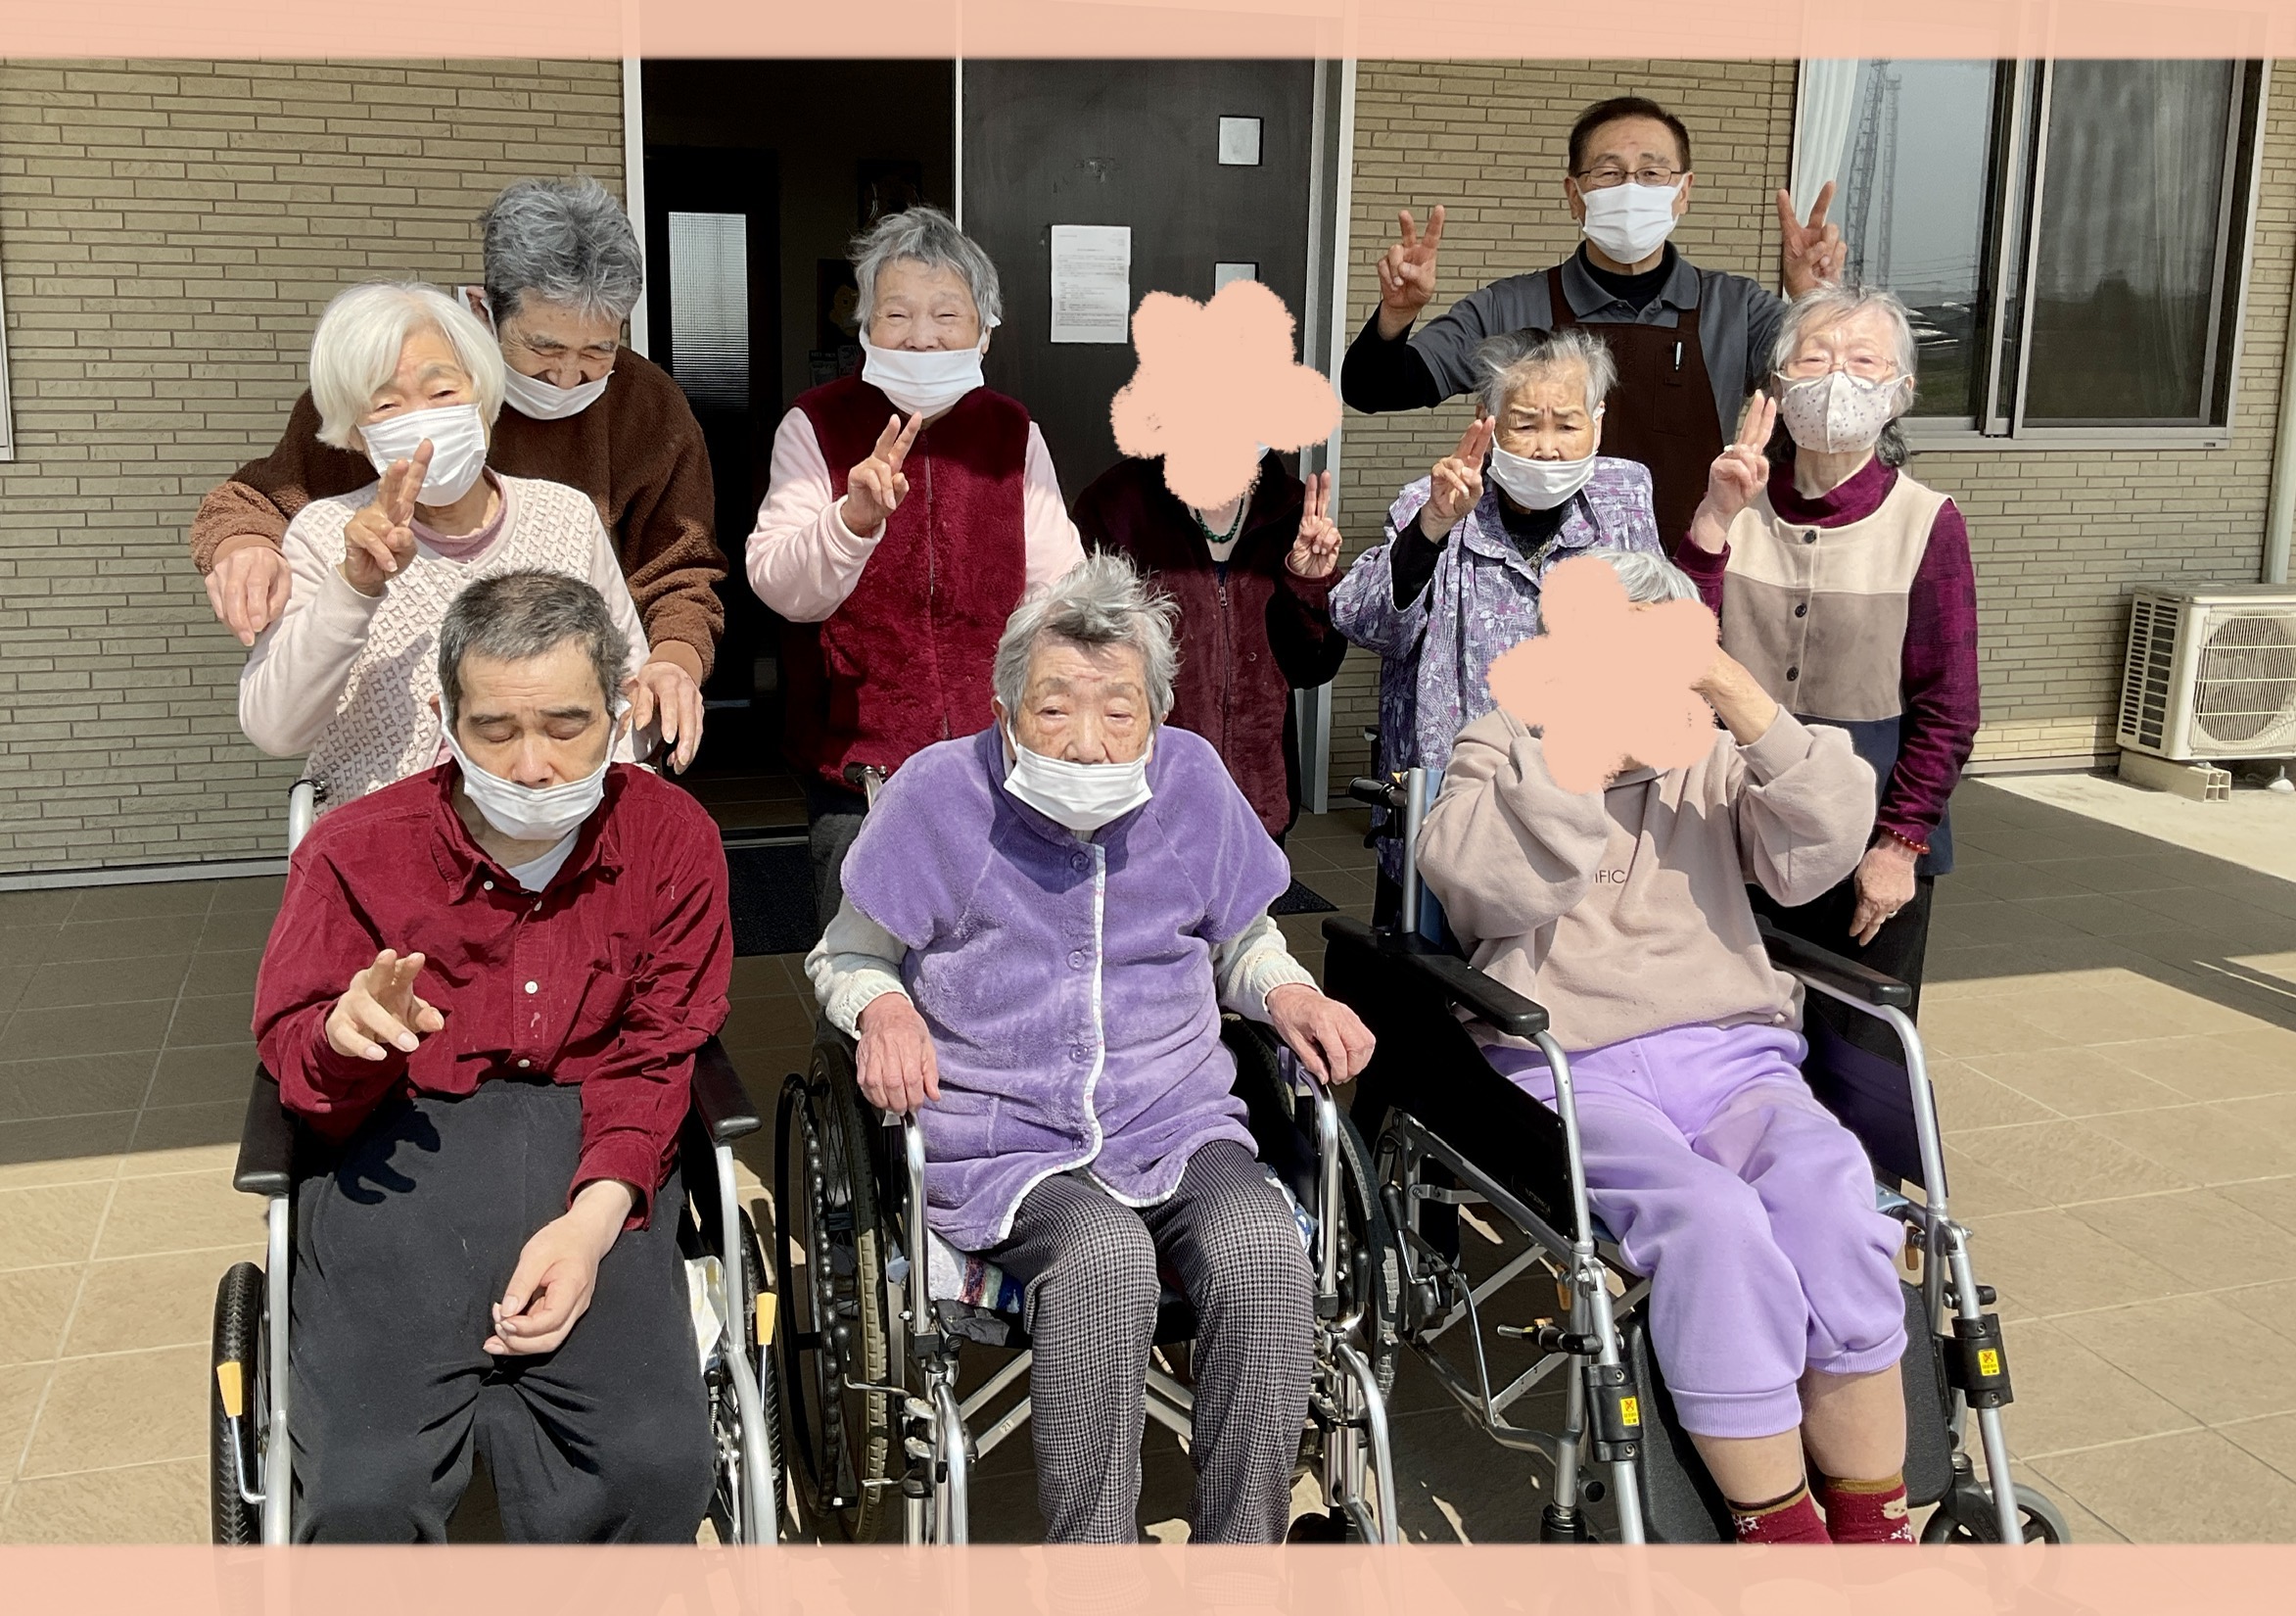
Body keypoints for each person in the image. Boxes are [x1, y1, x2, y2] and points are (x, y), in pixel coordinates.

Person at [804, 554, 1376, 1544]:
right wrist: (884, 1010)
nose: (1086, 740)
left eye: (1118, 712)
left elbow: (1241, 941)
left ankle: (1243, 1557)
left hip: (1175, 1116)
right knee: (1103, 1260)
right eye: (1053, 708)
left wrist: (1288, 990)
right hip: (1004, 1135)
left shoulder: (1191, 782)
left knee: (1261, 1247)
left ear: (1157, 716)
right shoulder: (940, 795)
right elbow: (848, 955)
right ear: (1001, 710)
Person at [1416, 548, 1913, 1547]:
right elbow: (1479, 889)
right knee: (1710, 1223)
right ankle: (1779, 1537)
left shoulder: (1711, 749)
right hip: (1570, 1062)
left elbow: (1819, 846)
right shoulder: (1502, 740)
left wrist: (1725, 685)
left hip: (1729, 1053)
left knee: (1829, 1196)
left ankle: (1872, 1526)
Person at [252, 569, 730, 1543]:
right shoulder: (352, 852)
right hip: (398, 1148)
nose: (534, 764)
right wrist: (342, 1040)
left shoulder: (671, 838)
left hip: (594, 1141)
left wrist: (591, 1227)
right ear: (444, 718)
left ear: (618, 710)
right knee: (362, 1492)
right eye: (496, 730)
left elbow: (653, 1054)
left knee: (656, 1461)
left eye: (567, 725)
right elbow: (296, 1061)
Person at [192, 176, 716, 770]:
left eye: (598, 350)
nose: (569, 376)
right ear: (483, 312)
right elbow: (260, 498)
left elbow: (681, 564)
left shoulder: (641, 417)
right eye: (544, 349)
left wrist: (673, 660)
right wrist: (244, 545)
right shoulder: (375, 394)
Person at [748, 204, 1084, 933]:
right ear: (865, 327)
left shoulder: (1011, 431)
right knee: (863, 963)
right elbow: (778, 583)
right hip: (860, 767)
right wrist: (852, 520)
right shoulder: (816, 423)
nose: (922, 336)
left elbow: (1060, 595)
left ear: (984, 331)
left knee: (988, 956)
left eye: (946, 315)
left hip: (995, 763)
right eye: (897, 314)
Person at [1677, 284, 1979, 1046]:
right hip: (1732, 829)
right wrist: (1713, 517)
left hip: (1868, 840)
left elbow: (1948, 706)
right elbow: (1675, 645)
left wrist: (1900, 844)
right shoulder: (1735, 500)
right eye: (1814, 357)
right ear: (1779, 384)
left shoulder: (1926, 522)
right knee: (1728, 1046)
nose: (1837, 376)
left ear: (1899, 391)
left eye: (1863, 360)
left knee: (1857, 1056)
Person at [1339, 96, 1844, 547]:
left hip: (1690, 577)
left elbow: (1829, 405)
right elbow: (1372, 388)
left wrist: (1814, 300)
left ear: (1684, 191)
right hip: (1532, 586)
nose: (1631, 188)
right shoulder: (1507, 307)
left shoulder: (1738, 309)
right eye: (1608, 173)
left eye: (1652, 173)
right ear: (1575, 194)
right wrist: (1397, 314)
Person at [237, 282, 651, 812]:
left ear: (483, 397)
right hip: (386, 839)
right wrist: (354, 588)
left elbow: (627, 688)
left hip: (553, 828)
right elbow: (275, 727)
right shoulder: (324, 535)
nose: (422, 423)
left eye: (442, 393)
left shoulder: (566, 516)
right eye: (386, 403)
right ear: (356, 432)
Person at [1330, 325, 1662, 921]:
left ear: (1598, 422)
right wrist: (1432, 527)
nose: (1547, 448)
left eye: (1567, 425)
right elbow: (1366, 622)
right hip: (1454, 812)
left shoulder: (1625, 497)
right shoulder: (1432, 500)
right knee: (1433, 965)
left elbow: (1657, 636)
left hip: (1584, 813)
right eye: (1525, 424)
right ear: (1487, 421)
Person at [1071, 450, 1346, 841]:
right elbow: (1083, 657)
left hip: (1257, 806)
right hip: (1147, 805)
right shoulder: (1117, 504)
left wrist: (1309, 583)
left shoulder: (1290, 508)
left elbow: (1313, 668)